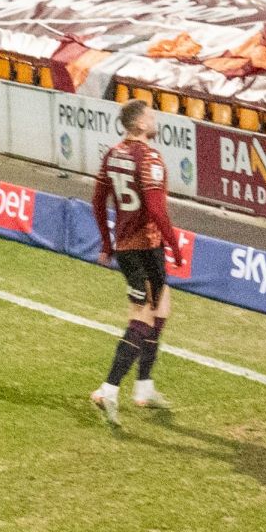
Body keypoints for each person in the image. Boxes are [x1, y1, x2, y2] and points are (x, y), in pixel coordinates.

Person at [89, 99, 184, 426]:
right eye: (151, 114)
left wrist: (106, 241)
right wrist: (175, 245)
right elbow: (157, 210)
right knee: (142, 318)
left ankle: (143, 387)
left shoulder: (113, 154)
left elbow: (98, 201)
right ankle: (108, 388)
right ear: (141, 124)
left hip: (128, 246)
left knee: (162, 308)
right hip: (146, 246)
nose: (155, 118)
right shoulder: (149, 158)